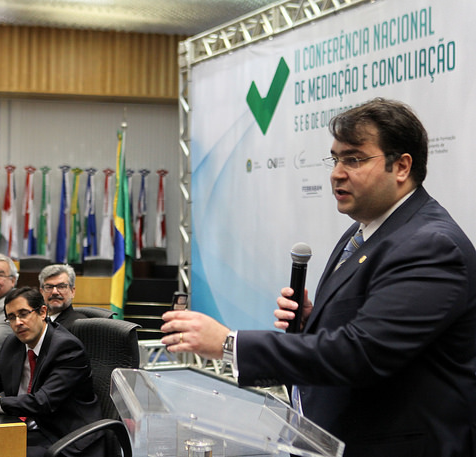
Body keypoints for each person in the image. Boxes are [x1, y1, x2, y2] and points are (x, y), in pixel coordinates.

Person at [161, 98, 476, 457]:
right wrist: (317, 321)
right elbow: (374, 327)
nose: (336, 173)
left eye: (354, 159)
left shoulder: (432, 246)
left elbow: (362, 353)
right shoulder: (364, 232)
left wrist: (230, 344)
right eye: (336, 158)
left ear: (401, 166)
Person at [0, 287, 104, 457]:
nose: (18, 322)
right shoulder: (14, 343)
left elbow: (42, 402)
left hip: (63, 435)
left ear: (42, 312)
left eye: (23, 314)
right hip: (23, 425)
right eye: (11, 317)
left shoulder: (66, 348)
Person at [38, 264, 87, 330]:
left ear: (72, 291)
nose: (54, 292)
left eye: (61, 287)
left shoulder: (79, 326)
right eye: (49, 287)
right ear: (42, 292)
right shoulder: (36, 322)